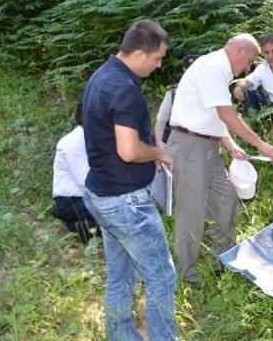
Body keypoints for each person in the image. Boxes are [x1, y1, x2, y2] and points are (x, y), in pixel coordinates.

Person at [81, 19, 177, 340]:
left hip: (101, 193)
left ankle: (121, 336)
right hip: (126, 202)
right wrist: (159, 154)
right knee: (161, 277)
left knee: (120, 275)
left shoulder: (101, 76)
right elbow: (128, 150)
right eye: (158, 58)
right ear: (139, 54)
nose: (159, 64)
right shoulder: (124, 88)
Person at [167, 34, 273, 286]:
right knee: (191, 212)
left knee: (227, 200)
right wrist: (261, 144)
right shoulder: (211, 67)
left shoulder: (219, 72)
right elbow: (227, 114)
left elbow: (214, 118)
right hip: (189, 147)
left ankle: (224, 260)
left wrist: (231, 146)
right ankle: (187, 276)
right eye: (250, 61)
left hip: (209, 146)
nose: (248, 68)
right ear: (239, 51)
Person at [51, 103, 99, 243]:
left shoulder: (87, 138)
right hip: (70, 201)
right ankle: (78, 228)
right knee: (114, 211)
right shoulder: (73, 142)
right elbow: (85, 182)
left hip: (81, 199)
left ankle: (79, 227)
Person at [154, 53, 200, 150]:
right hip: (178, 143)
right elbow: (161, 120)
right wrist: (159, 142)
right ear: (184, 71)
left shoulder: (211, 91)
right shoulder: (174, 93)